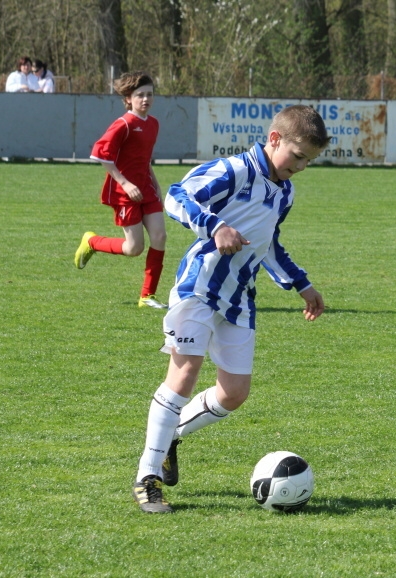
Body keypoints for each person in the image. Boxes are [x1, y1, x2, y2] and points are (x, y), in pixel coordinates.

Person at [131, 105, 331, 513]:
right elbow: (176, 195)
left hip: (239, 298)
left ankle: (170, 435)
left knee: (234, 392)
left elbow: (268, 243)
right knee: (184, 373)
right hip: (200, 287)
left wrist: (302, 284)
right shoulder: (234, 170)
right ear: (274, 139)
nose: (301, 167)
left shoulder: (285, 191)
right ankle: (147, 477)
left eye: (309, 161)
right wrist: (216, 226)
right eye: (297, 156)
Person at [74, 71, 169, 309]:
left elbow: (143, 159)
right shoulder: (123, 124)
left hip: (147, 189)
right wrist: (125, 183)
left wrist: (156, 183)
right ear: (128, 98)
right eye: (140, 95)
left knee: (160, 236)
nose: (146, 99)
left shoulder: (154, 124)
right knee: (134, 248)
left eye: (149, 94)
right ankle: (92, 242)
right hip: (124, 192)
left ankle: (147, 296)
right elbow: (100, 153)